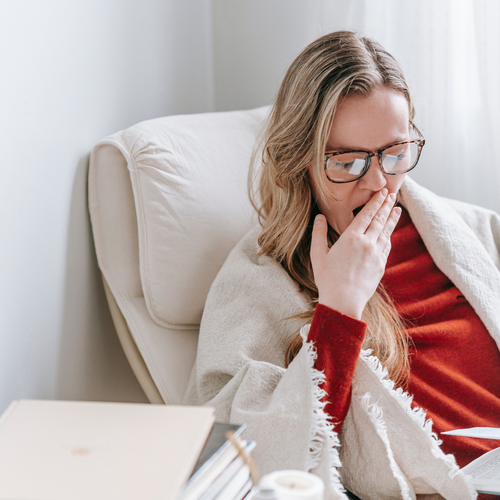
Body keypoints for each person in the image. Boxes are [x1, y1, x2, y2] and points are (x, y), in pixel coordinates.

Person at [184, 31, 500, 500]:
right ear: (299, 162)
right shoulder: (260, 276)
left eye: (395, 153)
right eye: (348, 161)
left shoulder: (474, 232)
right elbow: (255, 453)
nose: (378, 184)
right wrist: (340, 307)